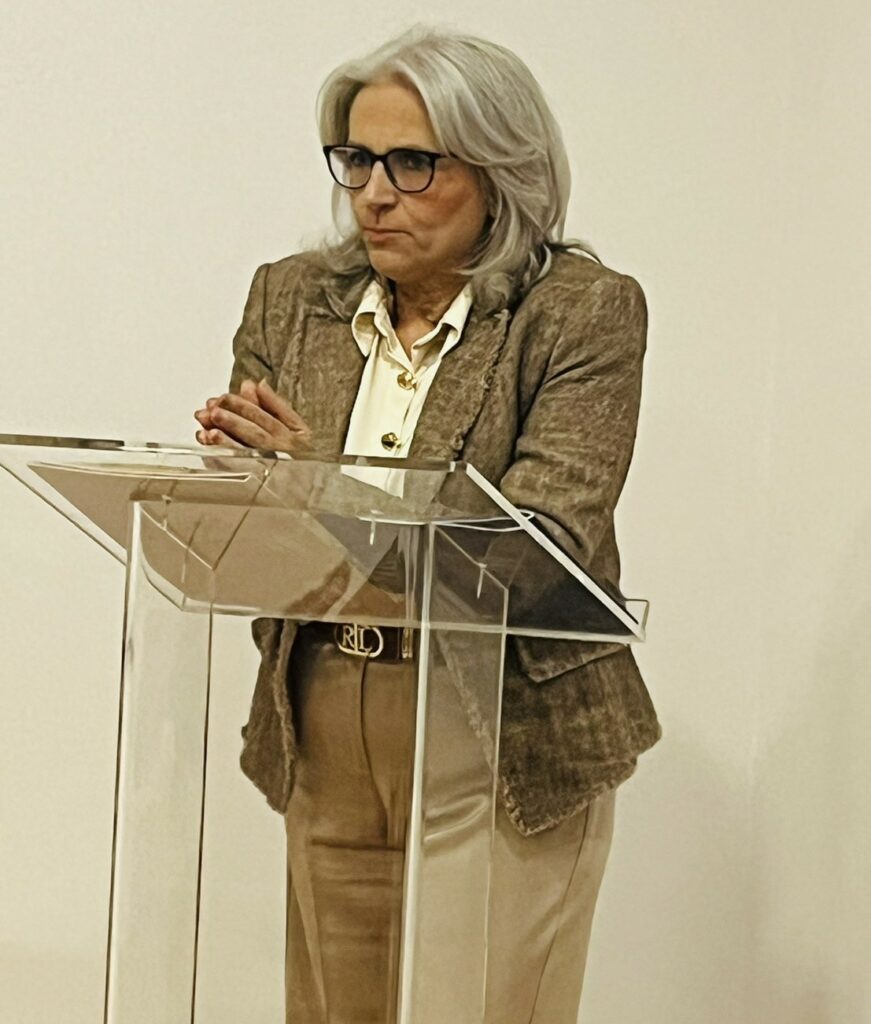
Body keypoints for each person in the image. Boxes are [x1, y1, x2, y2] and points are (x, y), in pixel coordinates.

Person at [194, 25, 661, 1024]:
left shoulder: (578, 313)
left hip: (501, 721)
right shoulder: (292, 299)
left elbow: (536, 546)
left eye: (413, 163)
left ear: (500, 172)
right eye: (357, 159)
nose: (374, 192)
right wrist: (238, 484)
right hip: (323, 699)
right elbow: (257, 521)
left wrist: (319, 485)